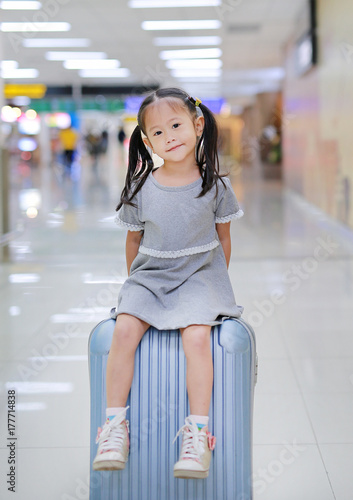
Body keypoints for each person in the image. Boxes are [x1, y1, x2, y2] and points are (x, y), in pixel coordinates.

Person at [92, 87, 244, 479]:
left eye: (176, 125)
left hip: (200, 275)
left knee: (197, 338)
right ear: (146, 141)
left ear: (197, 125)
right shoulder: (141, 188)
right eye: (157, 132)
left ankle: (197, 435)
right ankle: (113, 428)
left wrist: (214, 285)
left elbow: (224, 238)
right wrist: (138, 290)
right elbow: (133, 242)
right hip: (150, 277)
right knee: (124, 329)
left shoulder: (216, 186)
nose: (169, 136)